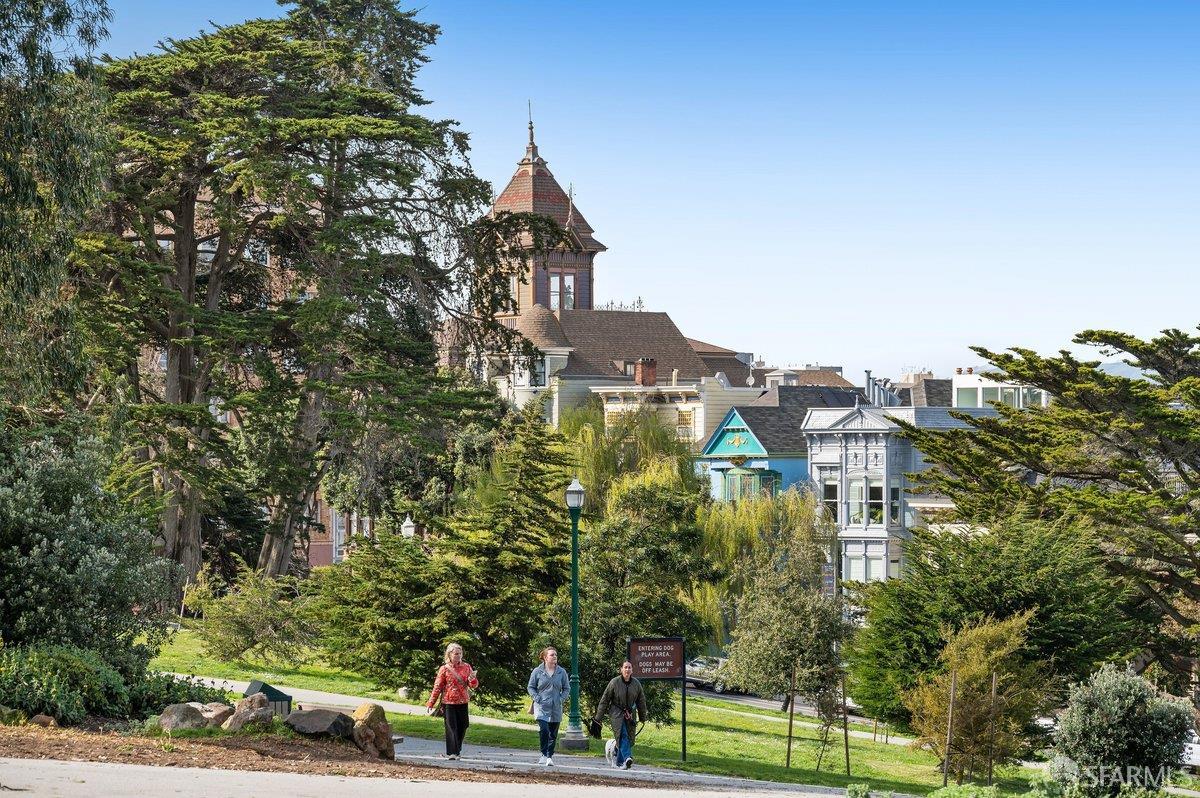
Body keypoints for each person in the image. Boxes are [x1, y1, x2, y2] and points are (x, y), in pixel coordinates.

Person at [426, 642, 479, 760]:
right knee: (451, 727)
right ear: (449, 655)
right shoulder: (444, 669)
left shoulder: (467, 667)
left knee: (464, 725)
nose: (458, 656)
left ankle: (457, 748)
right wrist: (431, 702)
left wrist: (473, 679)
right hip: (448, 702)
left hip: (463, 701)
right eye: (456, 654)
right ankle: (452, 753)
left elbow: (473, 685)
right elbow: (437, 686)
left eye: (460, 653)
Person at [594, 660, 647, 770]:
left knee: (629, 739)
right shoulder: (614, 682)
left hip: (630, 714)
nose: (627, 669)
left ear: (632, 670)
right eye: (625, 667)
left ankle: (620, 762)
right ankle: (627, 758)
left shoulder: (636, 684)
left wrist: (642, 717)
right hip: (616, 713)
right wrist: (598, 718)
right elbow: (605, 700)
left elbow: (641, 701)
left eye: (629, 667)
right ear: (621, 669)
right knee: (622, 735)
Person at [526, 647, 570, 766]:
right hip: (541, 706)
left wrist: (561, 698)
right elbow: (530, 687)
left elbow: (567, 688)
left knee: (553, 734)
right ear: (545, 657)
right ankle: (543, 754)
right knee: (544, 730)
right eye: (552, 655)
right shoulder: (537, 671)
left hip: (556, 707)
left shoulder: (561, 672)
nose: (554, 656)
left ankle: (549, 756)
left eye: (555, 655)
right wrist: (536, 698)